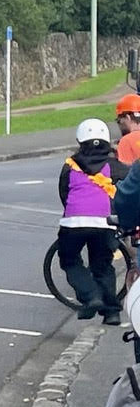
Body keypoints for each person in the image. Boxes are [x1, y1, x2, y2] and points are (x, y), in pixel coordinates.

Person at [57, 118, 128, 324]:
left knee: (70, 260)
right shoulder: (115, 166)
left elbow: (64, 193)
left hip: (74, 223)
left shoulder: (70, 165)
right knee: (103, 265)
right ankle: (112, 312)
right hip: (105, 222)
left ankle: (91, 296)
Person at [117, 94, 140, 165]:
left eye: (119, 120)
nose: (119, 124)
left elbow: (125, 171)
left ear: (128, 117)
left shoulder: (126, 141)